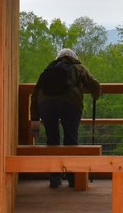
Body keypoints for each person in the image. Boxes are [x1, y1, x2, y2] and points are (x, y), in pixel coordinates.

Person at [30, 48, 102, 188]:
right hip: (70, 104)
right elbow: (94, 85)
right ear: (73, 57)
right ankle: (72, 178)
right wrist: (95, 95)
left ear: (58, 57)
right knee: (70, 139)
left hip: (46, 104)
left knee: (52, 140)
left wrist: (34, 117)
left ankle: (54, 178)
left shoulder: (48, 69)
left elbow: (35, 93)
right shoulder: (78, 67)